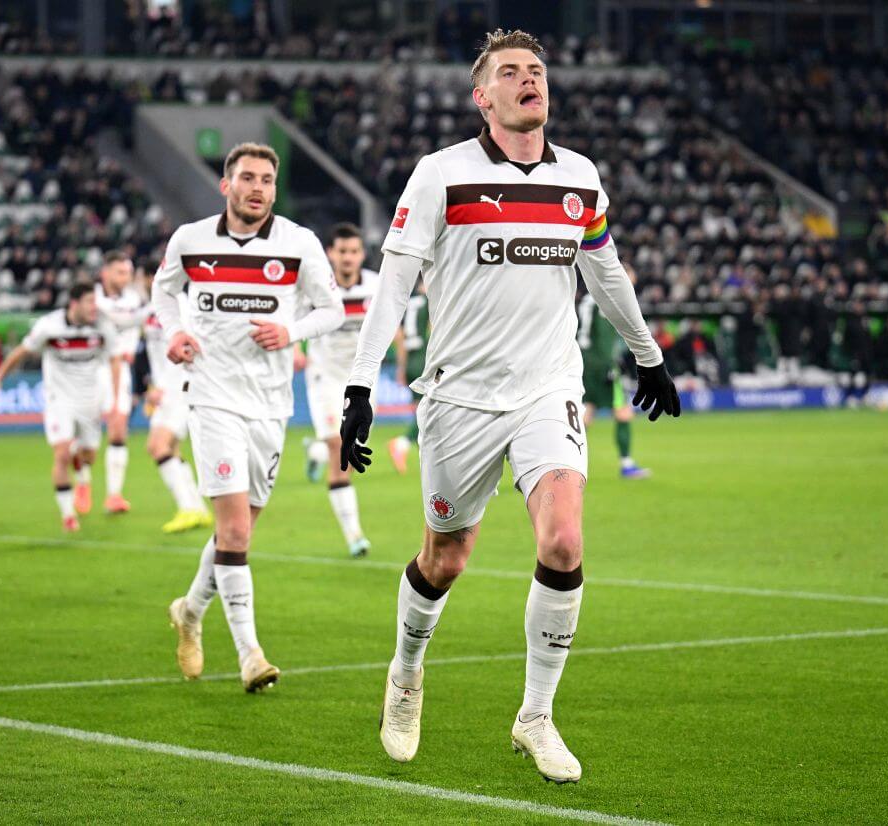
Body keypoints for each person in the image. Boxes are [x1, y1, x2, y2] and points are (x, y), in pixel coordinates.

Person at [339, 29, 680, 783]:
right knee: (445, 557)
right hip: (459, 395)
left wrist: (648, 353)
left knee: (563, 542)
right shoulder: (441, 175)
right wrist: (360, 386)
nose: (529, 81)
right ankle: (405, 672)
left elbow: (607, 269)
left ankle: (536, 716)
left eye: (537, 71)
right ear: (481, 96)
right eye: (511, 73)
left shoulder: (580, 177)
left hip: (546, 390)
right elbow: (393, 283)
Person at [153, 142, 343, 693]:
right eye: (248, 178)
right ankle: (249, 654)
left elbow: (331, 309)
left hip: (271, 404)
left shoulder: (298, 244)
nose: (258, 188)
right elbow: (164, 295)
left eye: (267, 180)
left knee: (237, 534)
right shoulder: (190, 240)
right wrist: (175, 332)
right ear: (226, 185)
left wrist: (292, 331)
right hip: (211, 396)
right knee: (233, 529)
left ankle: (190, 611)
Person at [0, 282, 122, 532]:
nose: (95, 307)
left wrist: (114, 399)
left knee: (89, 455)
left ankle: (83, 475)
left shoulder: (102, 325)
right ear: (74, 303)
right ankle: (68, 515)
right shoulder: (49, 325)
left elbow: (115, 359)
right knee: (61, 454)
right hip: (58, 399)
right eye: (90, 302)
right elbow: (21, 352)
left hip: (89, 401)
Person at [301, 222, 379, 557]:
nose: (347, 257)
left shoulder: (376, 287)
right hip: (325, 377)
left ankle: (313, 451)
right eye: (341, 251)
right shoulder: (317, 289)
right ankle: (354, 535)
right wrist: (293, 349)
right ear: (331, 253)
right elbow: (295, 321)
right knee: (339, 447)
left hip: (360, 380)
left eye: (353, 251)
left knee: (353, 445)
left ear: (361, 254)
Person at [139, 272, 212, 534]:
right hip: (164, 390)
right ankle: (198, 509)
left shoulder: (183, 306)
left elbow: (193, 347)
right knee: (171, 450)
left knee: (157, 446)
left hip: (182, 386)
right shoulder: (151, 309)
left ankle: (188, 508)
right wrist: (152, 385)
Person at [95, 251, 149, 515]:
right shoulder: (91, 298)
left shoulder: (134, 298)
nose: (125, 277)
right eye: (120, 272)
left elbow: (138, 329)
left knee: (118, 429)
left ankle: (113, 495)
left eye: (128, 272)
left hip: (121, 370)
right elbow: (124, 321)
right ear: (105, 273)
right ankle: (81, 477)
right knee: (85, 440)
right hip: (90, 370)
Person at [577, 285, 649, 478]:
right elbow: (600, 338)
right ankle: (626, 464)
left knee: (586, 412)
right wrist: (609, 363)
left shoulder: (588, 300)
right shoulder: (603, 301)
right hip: (601, 364)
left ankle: (563, 461)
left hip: (586, 361)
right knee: (623, 412)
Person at [387, 280, 429, 474]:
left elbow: (399, 335)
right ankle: (402, 443)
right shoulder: (431, 299)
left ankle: (425, 457)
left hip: (411, 360)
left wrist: (402, 367)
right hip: (424, 357)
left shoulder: (408, 301)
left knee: (420, 411)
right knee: (428, 413)